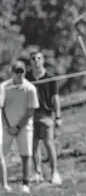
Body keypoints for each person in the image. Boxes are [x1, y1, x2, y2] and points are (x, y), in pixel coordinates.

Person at [0, 61, 39, 194]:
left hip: (24, 127)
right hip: (6, 127)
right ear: (12, 72)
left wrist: (17, 127)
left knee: (26, 155)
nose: (20, 74)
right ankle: (3, 183)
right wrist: (8, 125)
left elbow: (30, 111)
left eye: (22, 71)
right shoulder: (4, 87)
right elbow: (2, 108)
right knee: (1, 155)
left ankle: (25, 183)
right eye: (17, 71)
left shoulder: (30, 89)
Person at [26, 51, 62, 185]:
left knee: (48, 143)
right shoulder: (27, 77)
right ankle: (37, 172)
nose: (36, 61)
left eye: (39, 58)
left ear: (42, 60)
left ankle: (54, 172)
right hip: (31, 116)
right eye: (33, 58)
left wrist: (58, 116)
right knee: (34, 145)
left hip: (46, 115)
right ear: (30, 61)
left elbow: (55, 98)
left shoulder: (50, 78)